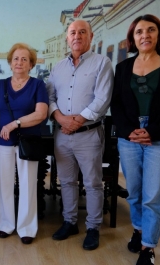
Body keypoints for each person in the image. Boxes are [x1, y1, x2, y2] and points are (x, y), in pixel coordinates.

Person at [111, 14, 160, 265]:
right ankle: (139, 230)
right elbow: (117, 103)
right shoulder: (123, 67)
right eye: (139, 31)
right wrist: (128, 130)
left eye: (151, 30)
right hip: (130, 137)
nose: (145, 35)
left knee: (153, 195)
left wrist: (152, 130)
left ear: (159, 34)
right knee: (134, 192)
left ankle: (148, 249)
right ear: (133, 38)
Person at [46, 19, 114, 250]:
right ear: (67, 37)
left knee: (93, 183)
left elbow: (103, 98)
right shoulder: (58, 67)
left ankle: (93, 227)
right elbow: (50, 97)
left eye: (82, 32)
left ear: (90, 36)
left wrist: (78, 120)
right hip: (62, 134)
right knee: (66, 181)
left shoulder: (102, 63)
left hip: (89, 134)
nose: (77, 36)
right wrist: (60, 117)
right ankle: (70, 222)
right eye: (73, 32)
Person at [0, 43, 48, 245]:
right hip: (3, 141)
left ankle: (27, 228)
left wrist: (15, 124)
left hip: (29, 141)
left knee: (27, 185)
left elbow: (41, 114)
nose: (20, 62)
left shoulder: (38, 85)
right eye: (16, 58)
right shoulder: (0, 85)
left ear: (31, 64)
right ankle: (6, 225)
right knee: (6, 184)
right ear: (10, 63)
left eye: (24, 59)